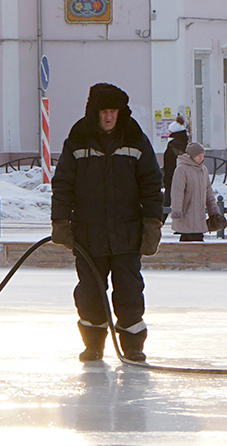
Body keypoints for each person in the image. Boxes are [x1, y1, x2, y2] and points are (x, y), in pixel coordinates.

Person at [51, 82, 163, 362]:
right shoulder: (79, 138)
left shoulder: (135, 138)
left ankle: (133, 346)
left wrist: (152, 223)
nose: (109, 117)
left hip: (127, 234)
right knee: (90, 294)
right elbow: (63, 183)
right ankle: (93, 345)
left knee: (129, 293)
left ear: (121, 112)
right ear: (94, 112)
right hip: (88, 234)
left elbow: (151, 183)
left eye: (113, 111)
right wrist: (61, 222)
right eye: (104, 112)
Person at [171, 142, 215, 242]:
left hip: (199, 215)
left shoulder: (203, 169)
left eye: (202, 155)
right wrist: (177, 211)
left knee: (196, 243)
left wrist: (213, 211)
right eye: (198, 156)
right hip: (187, 214)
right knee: (190, 243)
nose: (201, 158)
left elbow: (208, 192)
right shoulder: (181, 169)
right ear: (191, 156)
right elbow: (177, 192)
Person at [161, 115, 190, 208]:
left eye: (169, 131)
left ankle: (160, 221)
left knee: (167, 204)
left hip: (173, 179)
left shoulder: (172, 147)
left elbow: (169, 166)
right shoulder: (186, 145)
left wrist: (166, 181)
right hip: (186, 179)